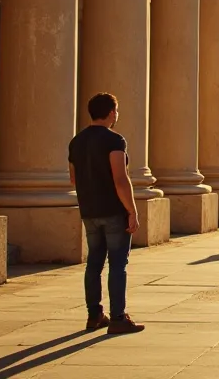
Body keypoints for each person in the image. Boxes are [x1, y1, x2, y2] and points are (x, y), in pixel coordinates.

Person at [68, 92, 146, 334]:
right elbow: (120, 179)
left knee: (94, 263)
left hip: (89, 211)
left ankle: (94, 315)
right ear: (112, 113)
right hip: (113, 211)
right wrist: (132, 211)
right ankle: (118, 318)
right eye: (117, 111)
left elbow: (73, 179)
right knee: (117, 265)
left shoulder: (76, 142)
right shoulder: (115, 140)